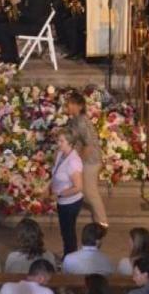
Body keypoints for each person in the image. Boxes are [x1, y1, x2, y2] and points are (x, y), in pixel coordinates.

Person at [63, 92, 108, 228]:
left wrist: (79, 162)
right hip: (85, 160)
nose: (68, 106)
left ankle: (102, 224)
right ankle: (98, 221)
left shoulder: (82, 121)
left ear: (80, 106)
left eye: (71, 103)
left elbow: (88, 144)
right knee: (85, 192)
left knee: (91, 193)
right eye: (68, 103)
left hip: (90, 161)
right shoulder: (74, 121)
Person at [50, 129, 84, 257]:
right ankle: (68, 255)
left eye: (61, 141)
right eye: (58, 140)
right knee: (65, 232)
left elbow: (78, 187)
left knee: (68, 233)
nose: (58, 143)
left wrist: (58, 194)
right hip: (62, 201)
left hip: (71, 202)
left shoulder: (73, 161)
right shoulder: (61, 154)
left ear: (70, 142)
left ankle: (70, 258)